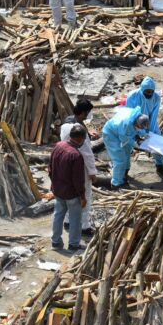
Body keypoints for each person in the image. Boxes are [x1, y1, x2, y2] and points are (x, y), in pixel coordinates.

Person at [60, 99, 98, 236]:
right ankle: (84, 226)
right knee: (85, 197)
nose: (88, 115)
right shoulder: (79, 129)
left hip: (66, 165)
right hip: (80, 167)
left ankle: (68, 221)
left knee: (69, 195)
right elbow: (87, 153)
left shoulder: (66, 124)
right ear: (83, 113)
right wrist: (92, 172)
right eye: (87, 113)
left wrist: (89, 135)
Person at [49, 124, 87, 251]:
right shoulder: (76, 155)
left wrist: (52, 184)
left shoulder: (58, 146)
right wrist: (82, 196)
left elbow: (50, 168)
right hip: (71, 193)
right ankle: (74, 244)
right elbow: (78, 180)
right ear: (81, 139)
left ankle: (55, 242)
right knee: (75, 219)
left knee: (58, 215)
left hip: (58, 190)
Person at [125, 76, 163, 178]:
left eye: (151, 92)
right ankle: (124, 171)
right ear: (142, 89)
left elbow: (154, 116)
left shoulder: (156, 98)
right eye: (147, 92)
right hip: (133, 123)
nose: (149, 94)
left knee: (157, 142)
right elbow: (129, 114)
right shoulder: (133, 96)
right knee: (127, 146)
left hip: (149, 123)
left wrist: (150, 132)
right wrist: (137, 133)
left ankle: (160, 166)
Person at [101, 107, 150, 189]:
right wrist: (139, 144)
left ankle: (124, 173)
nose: (140, 129)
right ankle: (116, 183)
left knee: (127, 152)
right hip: (111, 135)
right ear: (135, 123)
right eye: (139, 127)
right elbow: (125, 139)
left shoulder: (138, 117)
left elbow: (139, 130)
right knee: (119, 159)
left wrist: (142, 135)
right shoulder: (125, 123)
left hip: (122, 133)